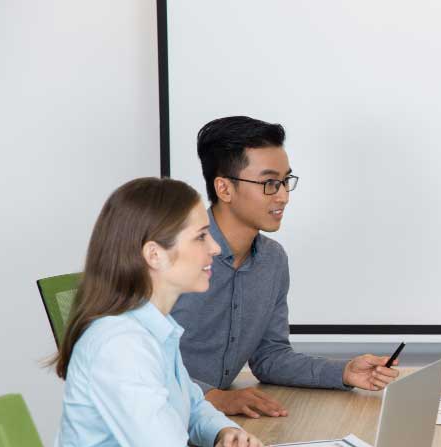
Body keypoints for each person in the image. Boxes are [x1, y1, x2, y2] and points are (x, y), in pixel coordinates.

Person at [51, 177, 270, 447]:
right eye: (201, 237)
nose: (215, 248)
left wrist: (222, 434)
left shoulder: (151, 329)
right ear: (155, 255)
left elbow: (192, 404)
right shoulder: (122, 345)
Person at [170, 116, 399, 418]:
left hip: (210, 424)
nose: (283, 196)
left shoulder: (272, 261)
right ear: (224, 189)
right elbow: (135, 367)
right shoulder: (170, 255)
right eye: (269, 183)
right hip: (152, 427)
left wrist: (343, 372)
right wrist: (213, 398)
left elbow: (270, 357)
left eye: (285, 181)